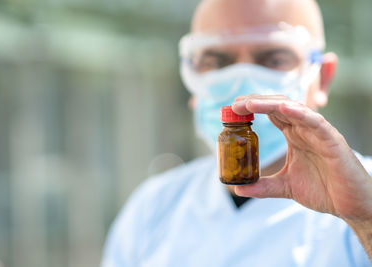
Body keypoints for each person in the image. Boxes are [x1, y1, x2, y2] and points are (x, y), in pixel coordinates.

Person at [101, 0, 372, 266]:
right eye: (218, 62)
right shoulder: (154, 208)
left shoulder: (364, 193)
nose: (242, 82)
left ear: (322, 78)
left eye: (274, 58)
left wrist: (365, 218)